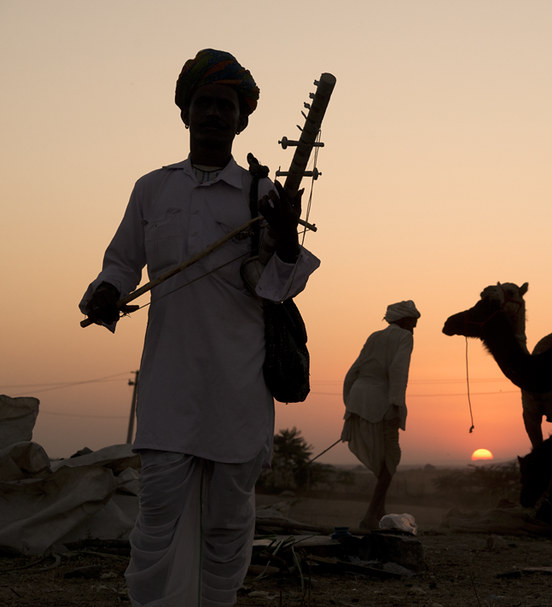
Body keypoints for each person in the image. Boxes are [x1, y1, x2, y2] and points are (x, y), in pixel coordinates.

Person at [79, 49, 320, 606]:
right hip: (168, 386)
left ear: (241, 119)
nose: (214, 114)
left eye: (226, 106)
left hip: (239, 387)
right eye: (204, 103)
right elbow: (120, 262)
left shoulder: (262, 194)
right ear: (186, 112)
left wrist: (285, 237)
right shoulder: (153, 189)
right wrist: (107, 292)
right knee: (157, 519)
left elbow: (283, 285)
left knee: (228, 525)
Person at [341, 300, 420, 530]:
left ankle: (380, 513)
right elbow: (398, 370)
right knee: (391, 459)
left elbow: (353, 371)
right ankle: (368, 517)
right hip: (383, 402)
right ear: (405, 320)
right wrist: (396, 404)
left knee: (384, 458)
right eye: (413, 322)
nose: (414, 327)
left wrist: (351, 403)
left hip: (359, 399)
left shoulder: (374, 336)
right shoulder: (405, 337)